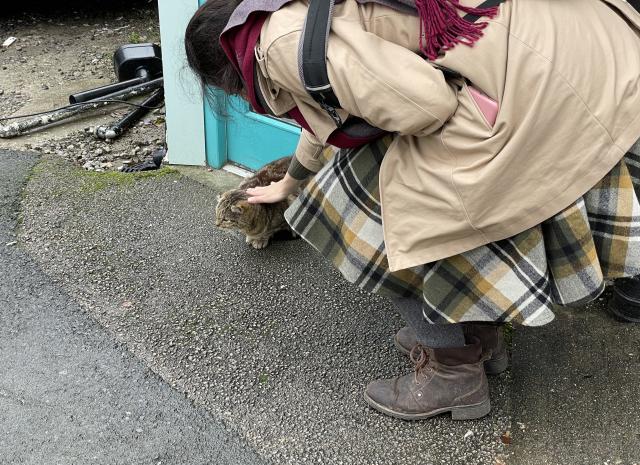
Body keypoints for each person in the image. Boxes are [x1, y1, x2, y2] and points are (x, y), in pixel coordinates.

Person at [185, 0, 640, 421]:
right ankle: (476, 338)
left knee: (373, 225)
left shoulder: (277, 46)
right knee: (377, 179)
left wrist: (314, 182)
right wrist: (291, 180)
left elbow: (425, 104)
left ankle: (452, 373)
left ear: (227, 75)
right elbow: (333, 99)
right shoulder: (281, 16)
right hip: (573, 56)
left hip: (539, 93)